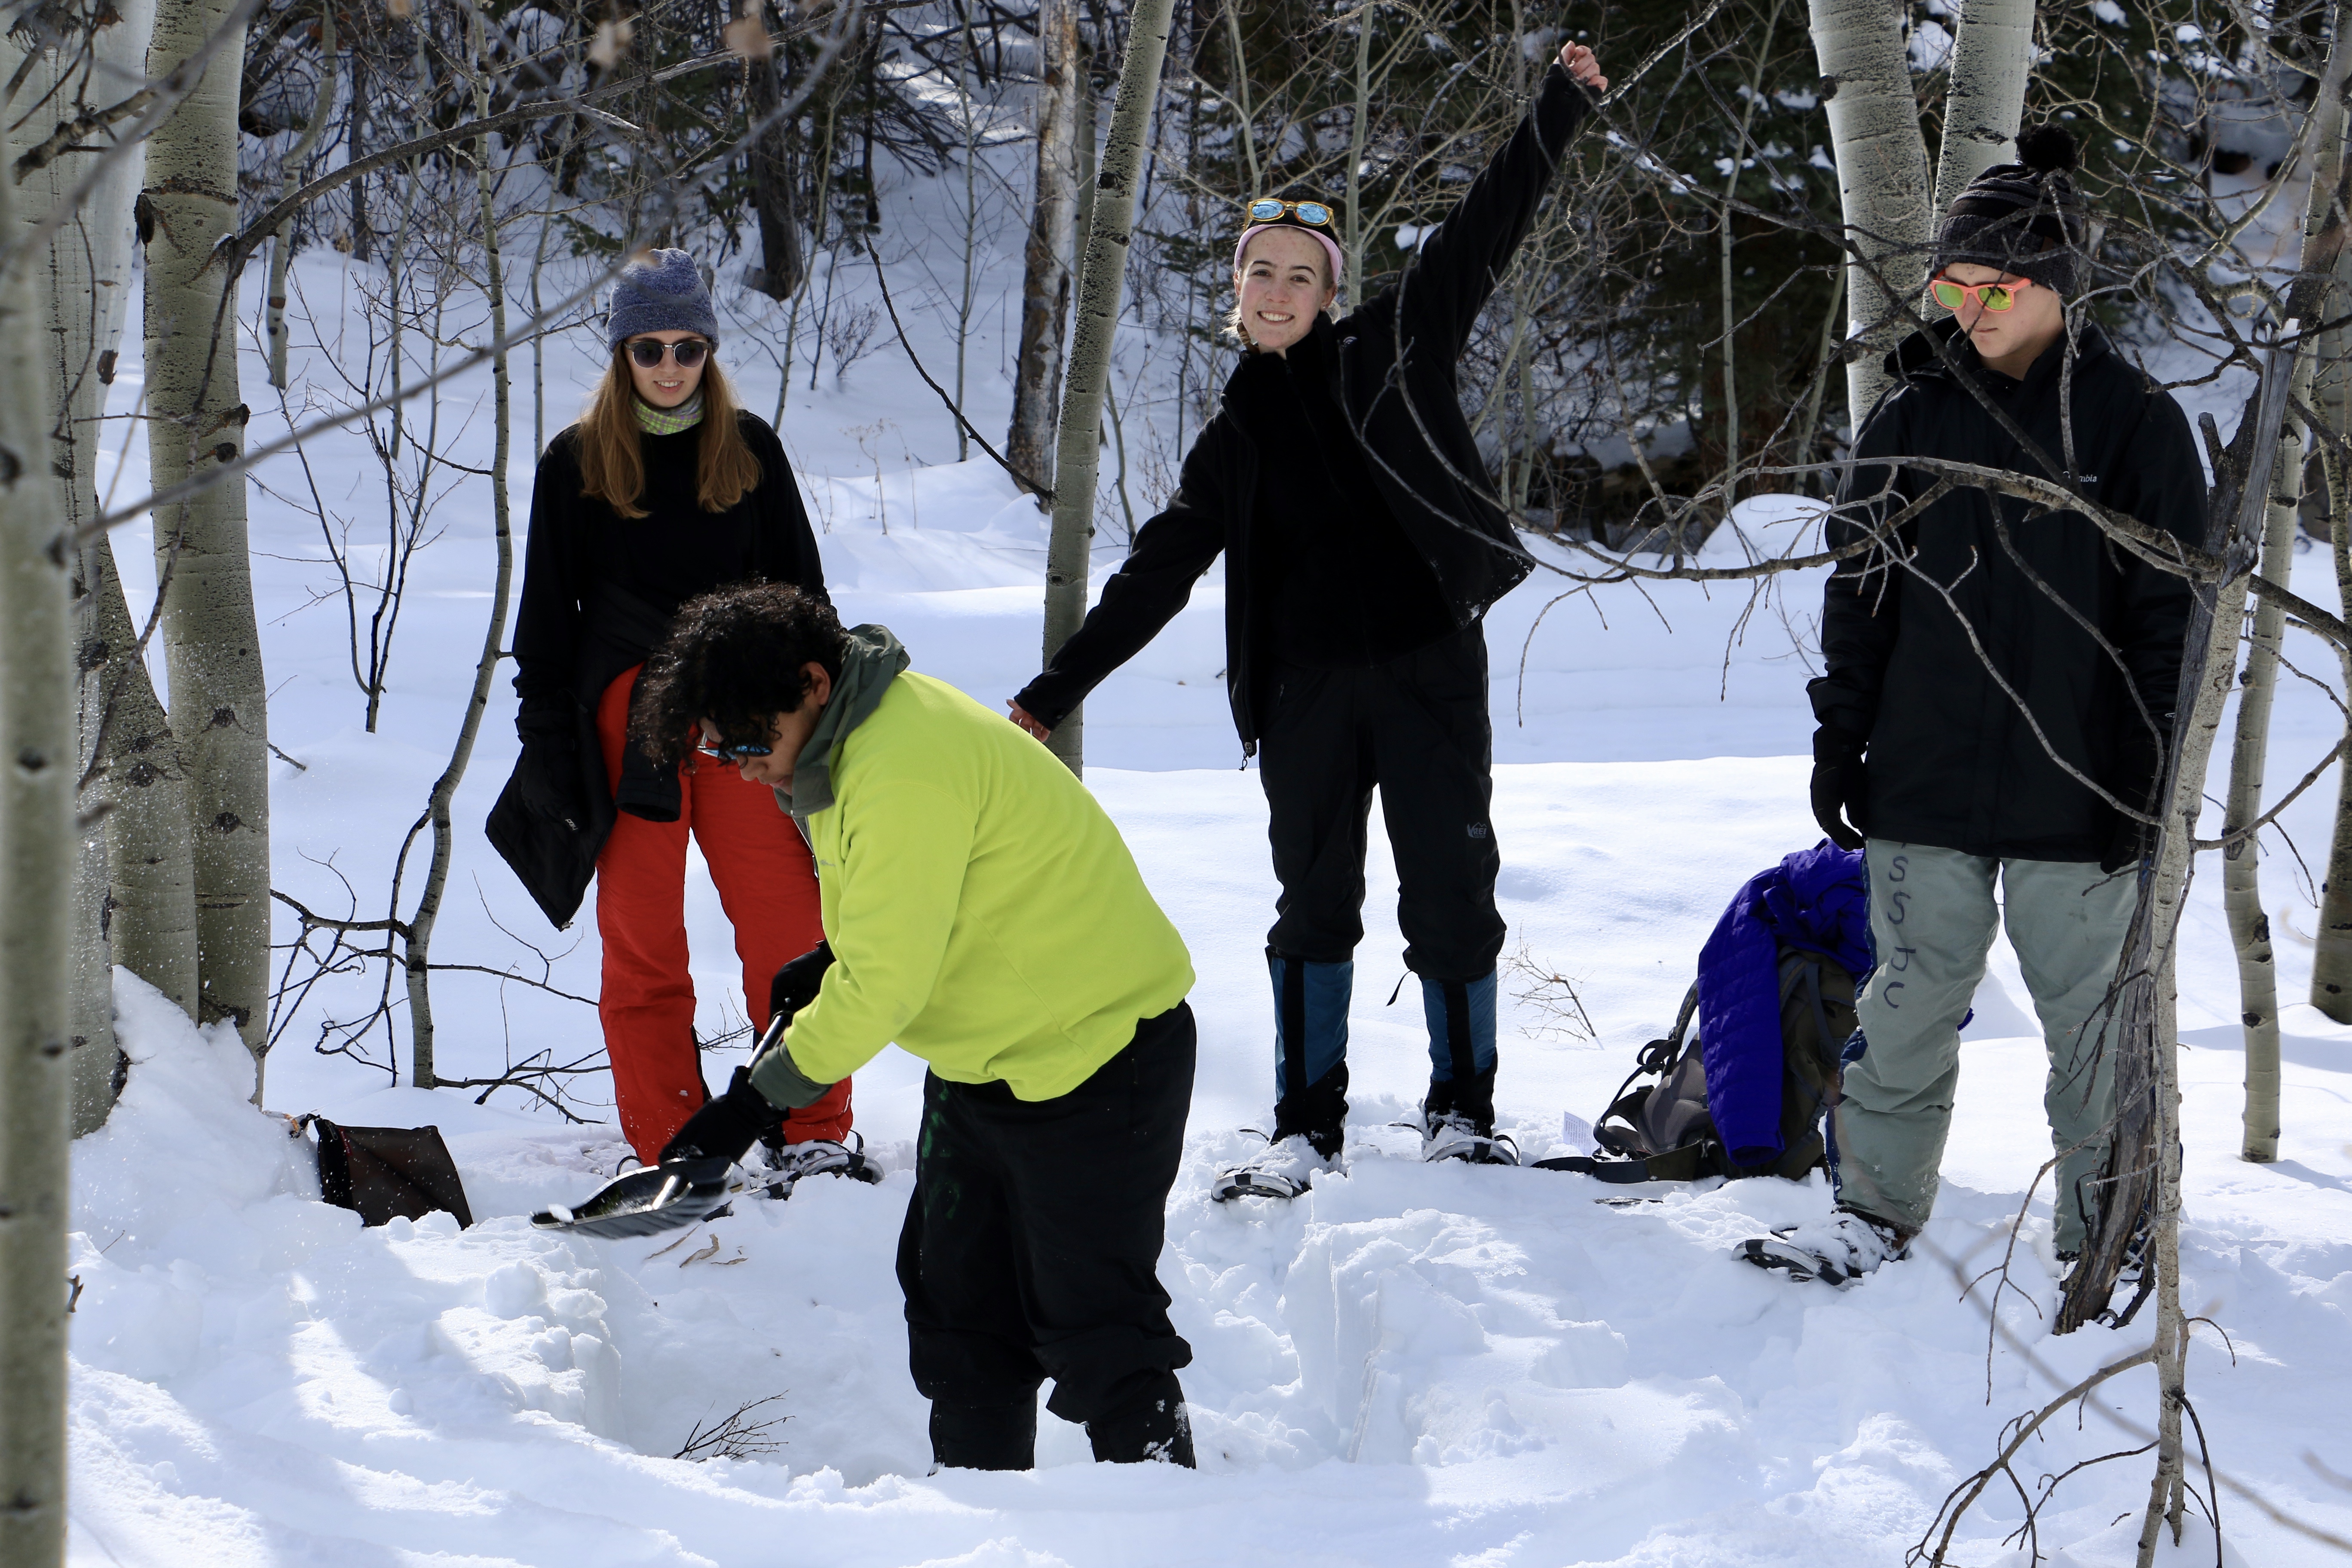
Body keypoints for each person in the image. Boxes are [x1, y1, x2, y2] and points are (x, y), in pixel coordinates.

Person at [1005, 40, 1609, 1198]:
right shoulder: (1233, 438)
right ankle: (1306, 1121)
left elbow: (1485, 229)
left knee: (1449, 886)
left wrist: (1558, 106)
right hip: (1305, 697)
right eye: (1259, 274)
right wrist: (1050, 695)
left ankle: (1463, 1111)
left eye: (1299, 275)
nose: (1277, 292)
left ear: (1331, 292)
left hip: (1431, 670)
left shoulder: (1394, 348)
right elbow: (1153, 578)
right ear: (1235, 293)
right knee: (1314, 899)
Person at [1740, 126, 2207, 1287]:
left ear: (2059, 285)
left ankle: (2105, 1241)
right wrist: (1841, 740)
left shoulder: (2132, 422)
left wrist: (2144, 776)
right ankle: (1874, 1217)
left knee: (2092, 1035)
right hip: (1926, 776)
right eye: (1954, 284)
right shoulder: (1908, 417)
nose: (1971, 307)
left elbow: (2171, 622)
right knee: (1903, 1010)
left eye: (1996, 286)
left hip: (2080, 788)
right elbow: (1861, 592)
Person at [638, 584, 1202, 1471]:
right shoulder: (847, 741)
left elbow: (887, 988)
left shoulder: (901, 761)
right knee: (961, 1313)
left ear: (815, 682)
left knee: (1094, 1320)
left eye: (750, 740)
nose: (741, 766)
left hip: (1095, 1056)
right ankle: (978, 1518)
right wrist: (833, 958)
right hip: (983, 1060)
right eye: (722, 749)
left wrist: (753, 1104)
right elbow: (922, 902)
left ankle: (1165, 1519)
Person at [491, 248, 864, 1182]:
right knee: (645, 943)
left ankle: (810, 1130)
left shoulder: (752, 447)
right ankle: (669, 1139)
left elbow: (805, 596)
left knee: (788, 928)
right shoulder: (577, 460)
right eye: (649, 347)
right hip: (630, 727)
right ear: (621, 352)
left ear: (709, 349)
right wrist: (544, 739)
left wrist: (831, 708)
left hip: (749, 718)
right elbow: (546, 619)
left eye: (687, 347)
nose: (668, 365)